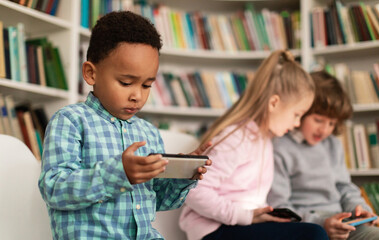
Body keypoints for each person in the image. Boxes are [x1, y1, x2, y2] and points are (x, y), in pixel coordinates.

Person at [38, 11, 211, 240]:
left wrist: (182, 177)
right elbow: (54, 189)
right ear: (91, 73)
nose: (137, 95)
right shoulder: (70, 121)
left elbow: (155, 200)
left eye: (147, 85)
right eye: (126, 83)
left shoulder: (147, 132)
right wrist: (119, 173)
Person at [179, 50, 329, 240]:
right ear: (274, 103)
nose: (297, 124)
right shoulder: (236, 139)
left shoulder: (264, 139)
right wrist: (245, 216)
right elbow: (194, 191)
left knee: (305, 229)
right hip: (214, 230)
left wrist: (260, 215)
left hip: (240, 224)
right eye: (296, 114)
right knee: (313, 234)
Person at [267, 70, 379, 240]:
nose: (324, 129)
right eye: (318, 120)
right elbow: (279, 207)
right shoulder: (280, 146)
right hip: (308, 225)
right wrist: (321, 223)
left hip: (342, 219)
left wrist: (360, 209)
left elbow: (344, 187)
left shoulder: (332, 144)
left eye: (332, 123)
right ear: (301, 112)